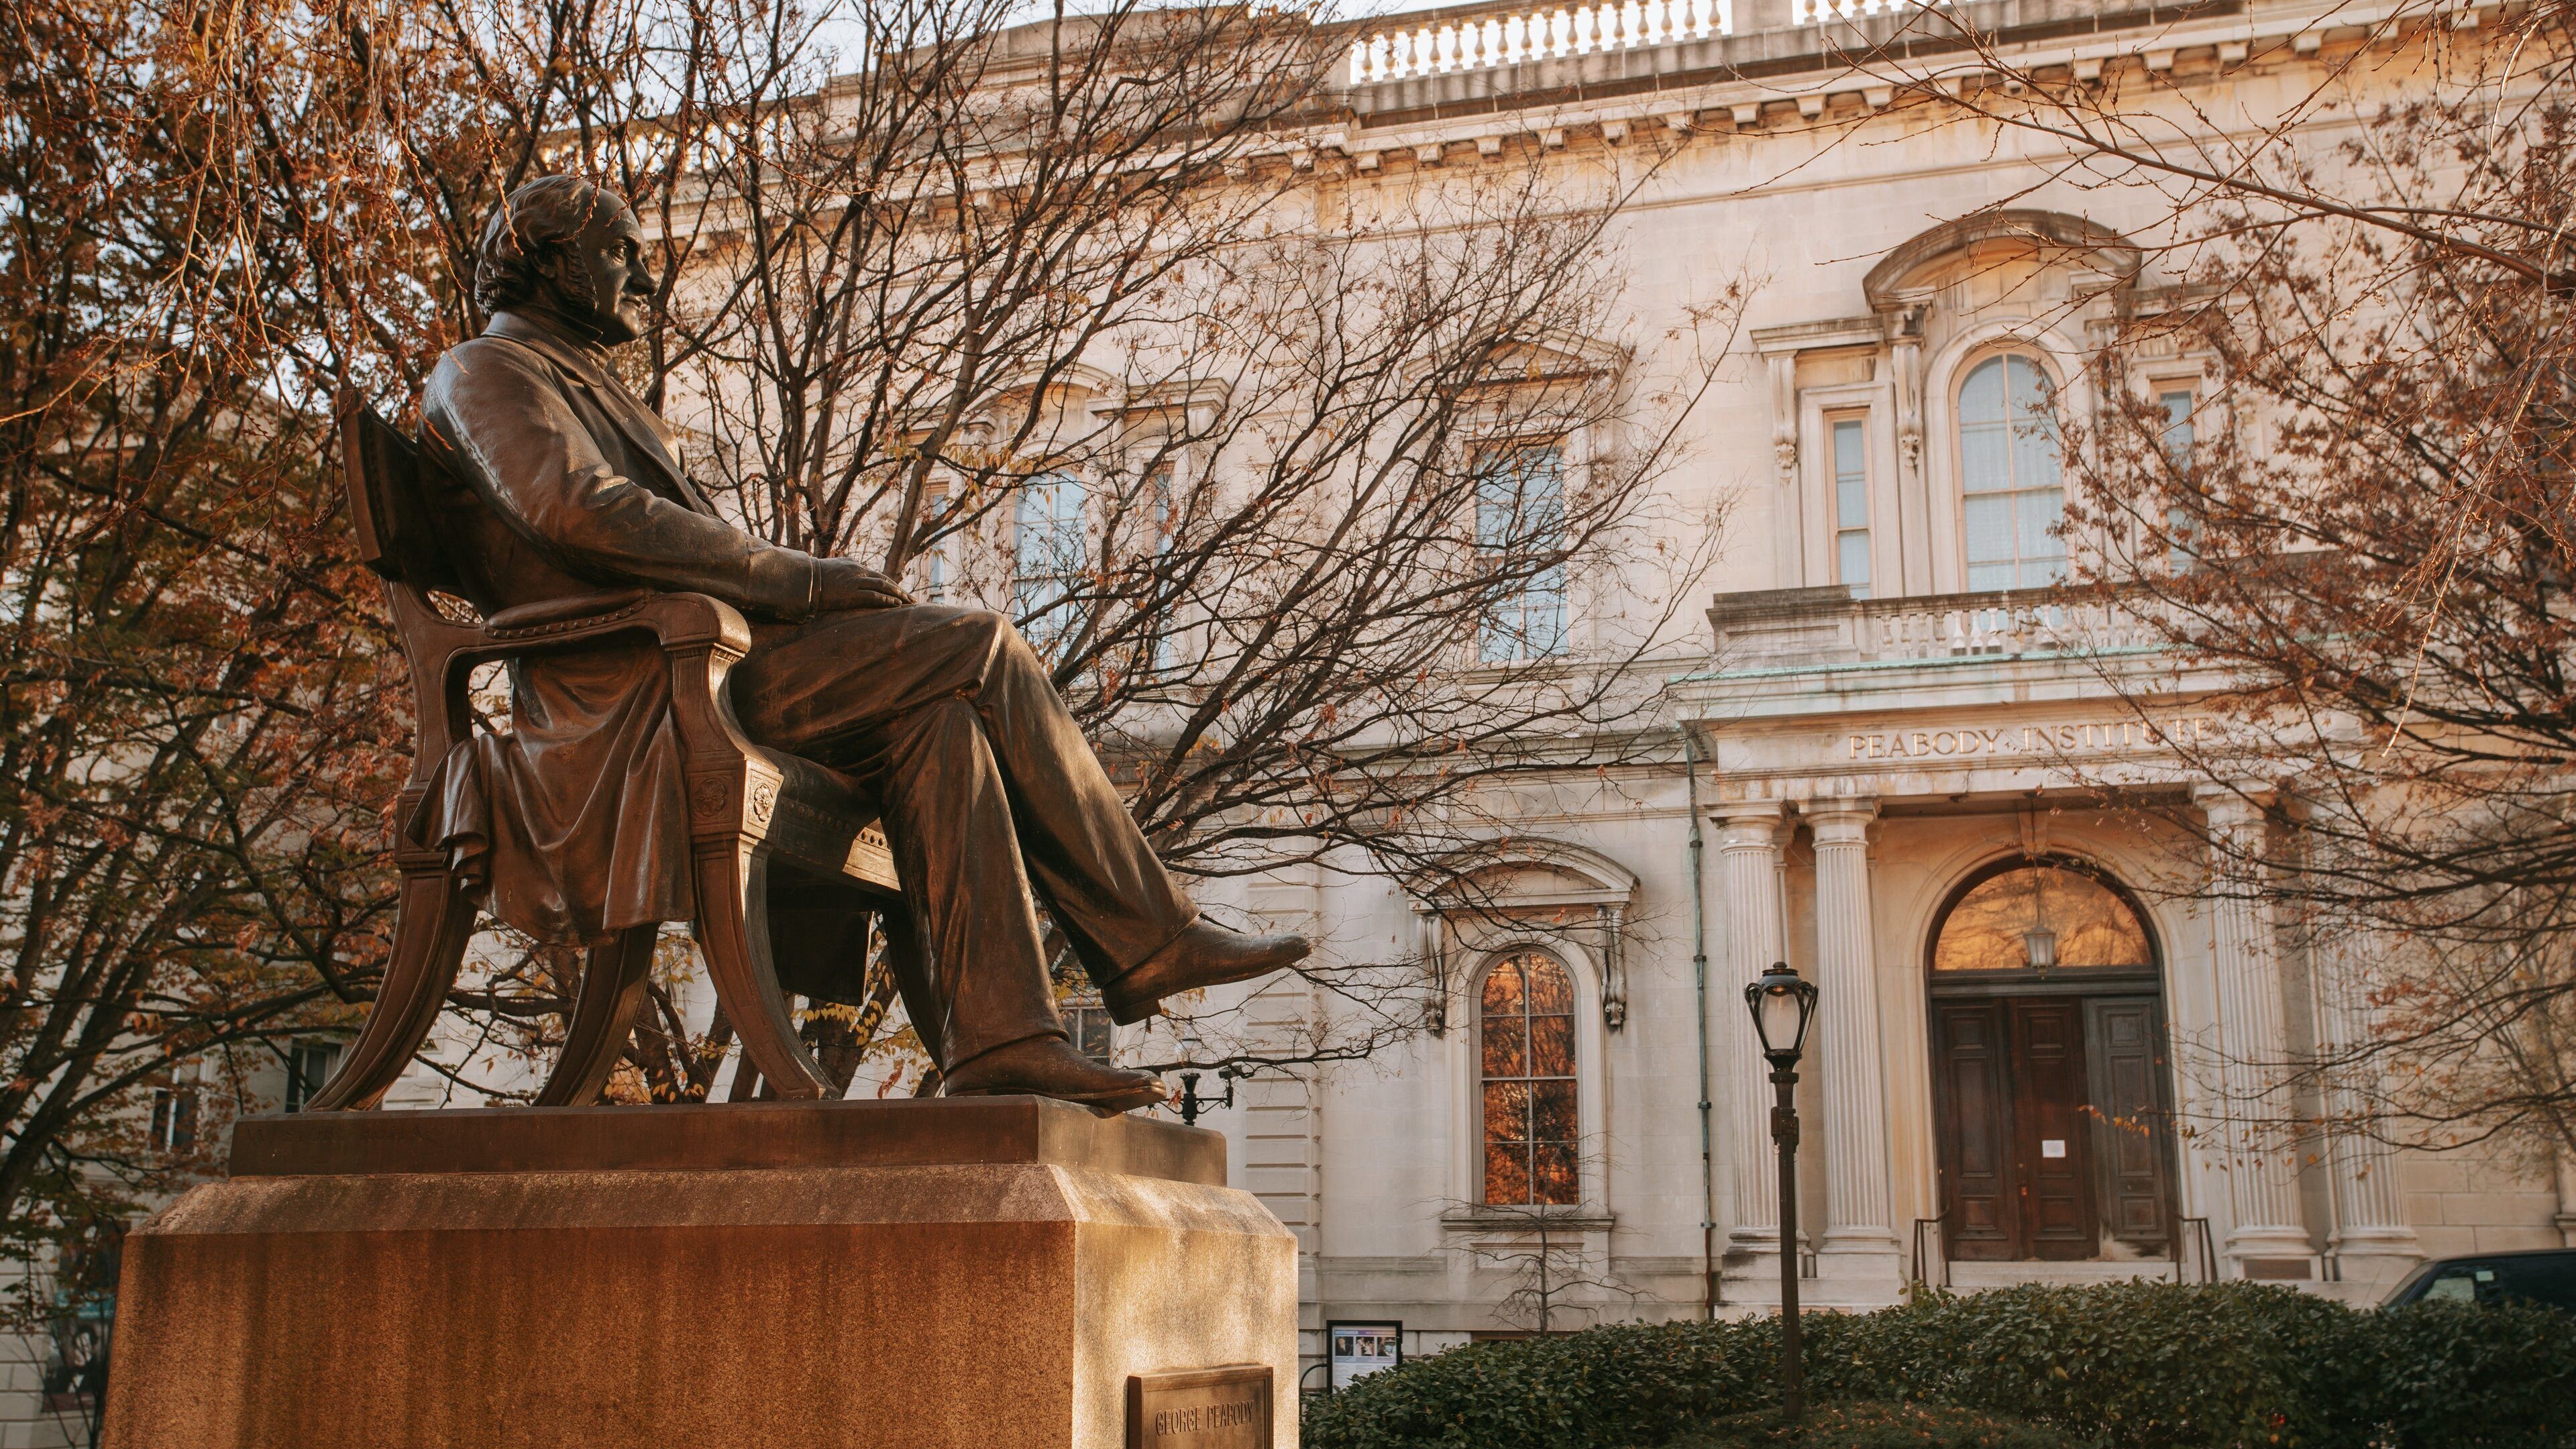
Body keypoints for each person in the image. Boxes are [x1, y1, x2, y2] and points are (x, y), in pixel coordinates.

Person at [419, 176, 1305, 1110]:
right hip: (631, 702)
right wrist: (796, 578)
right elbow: (578, 513)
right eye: (619, 254)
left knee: (942, 727)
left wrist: (813, 603)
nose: (647, 276)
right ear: (545, 262)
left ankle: (1004, 1041)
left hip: (694, 671)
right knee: (979, 646)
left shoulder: (579, 386)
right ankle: (1152, 936)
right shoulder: (486, 372)